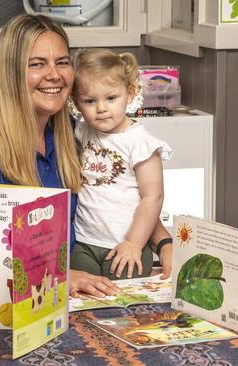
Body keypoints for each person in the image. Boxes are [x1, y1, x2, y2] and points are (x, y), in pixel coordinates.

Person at [0, 14, 173, 298]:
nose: (54, 75)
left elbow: (122, 194)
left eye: (62, 62)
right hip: (12, 305)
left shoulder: (74, 133)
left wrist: (164, 244)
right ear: (10, 73)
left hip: (82, 288)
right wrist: (60, 276)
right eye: (37, 64)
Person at [70, 48, 173, 280]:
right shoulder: (81, 130)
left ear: (129, 93)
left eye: (111, 98)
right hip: (84, 241)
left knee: (124, 306)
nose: (101, 108)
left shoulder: (140, 141)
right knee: (82, 305)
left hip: (125, 245)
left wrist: (134, 242)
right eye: (89, 101)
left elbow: (153, 197)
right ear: (76, 102)